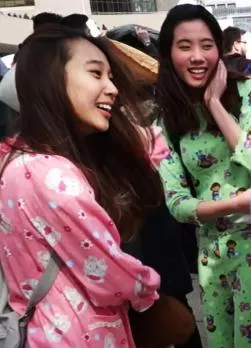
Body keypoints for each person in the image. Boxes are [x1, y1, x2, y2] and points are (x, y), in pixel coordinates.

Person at [0, 25, 164, 347]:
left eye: (111, 77)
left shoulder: (17, 160)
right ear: (51, 81)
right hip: (76, 334)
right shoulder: (53, 175)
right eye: (96, 73)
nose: (112, 88)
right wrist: (149, 289)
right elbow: (108, 269)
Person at [155, 4, 251, 348]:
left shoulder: (250, 90)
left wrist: (214, 103)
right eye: (184, 46)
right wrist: (234, 203)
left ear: (219, 48)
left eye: (206, 44)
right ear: (169, 53)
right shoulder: (167, 116)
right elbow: (177, 202)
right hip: (210, 254)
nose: (197, 56)